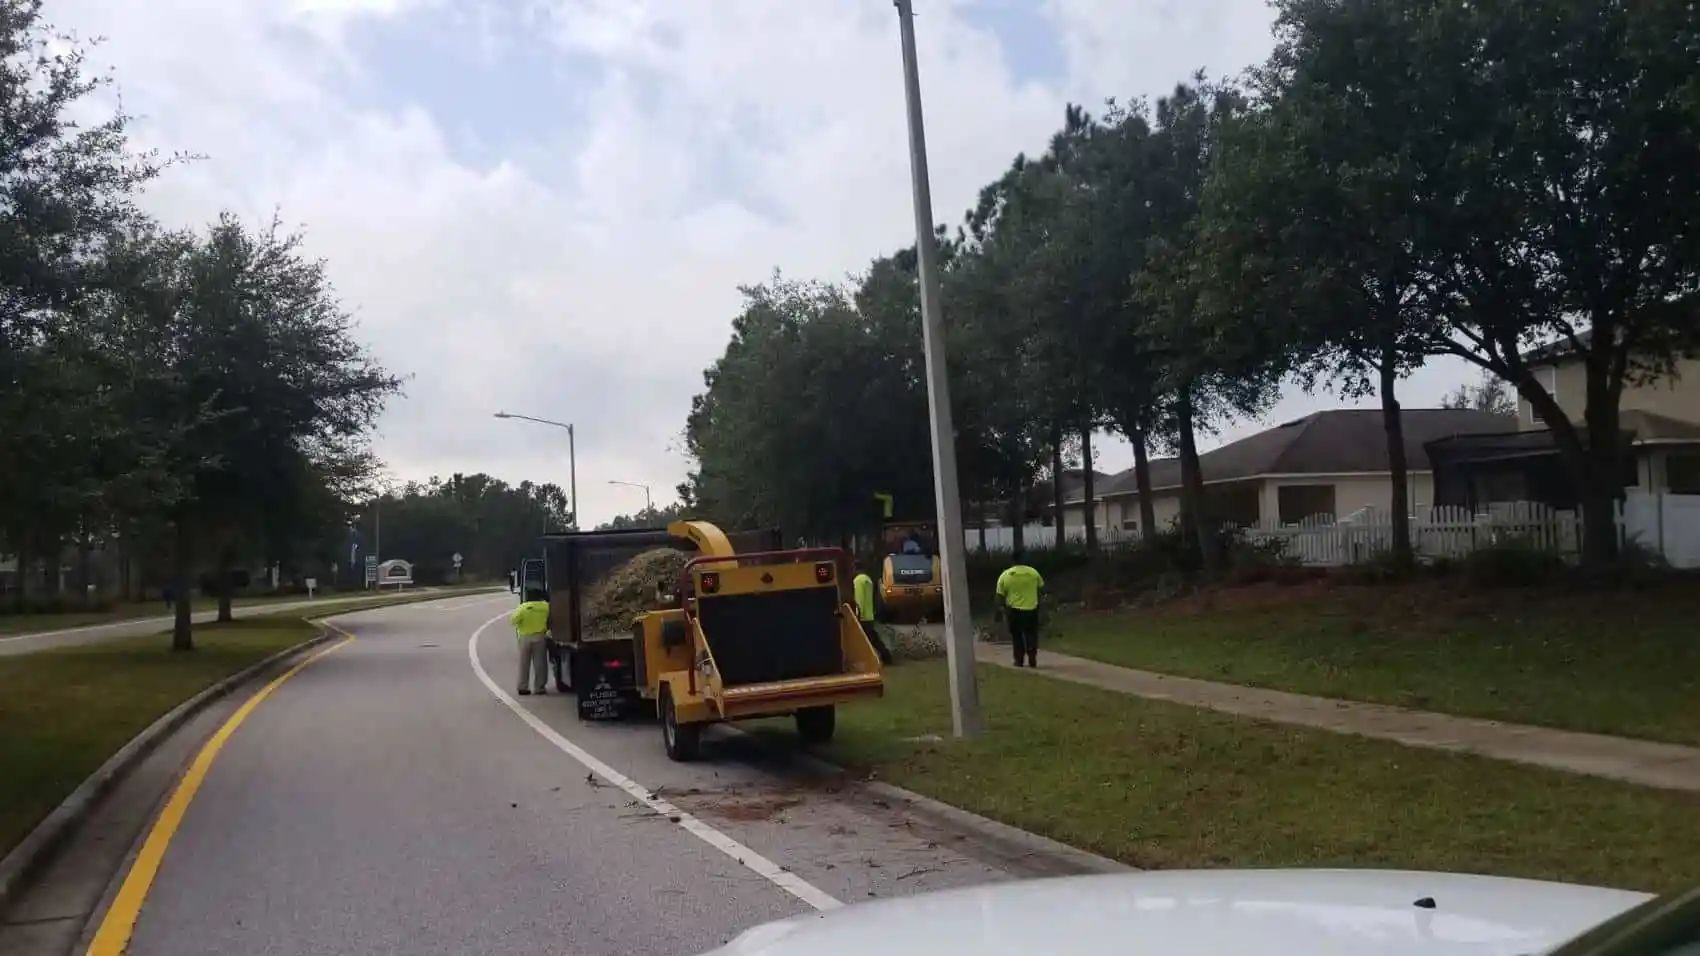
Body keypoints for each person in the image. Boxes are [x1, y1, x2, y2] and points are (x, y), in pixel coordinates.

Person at [994, 551, 1045, 668]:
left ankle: (1019, 659)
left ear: (1012, 561)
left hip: (1014, 610)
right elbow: (1040, 589)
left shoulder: (1006, 575)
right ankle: (1032, 657)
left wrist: (1000, 610)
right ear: (1024, 559)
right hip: (1031, 608)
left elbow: (999, 595)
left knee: (1016, 635)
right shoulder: (1033, 573)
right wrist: (1039, 604)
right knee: (1031, 634)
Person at [509, 588, 552, 696]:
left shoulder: (523, 607)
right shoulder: (545, 607)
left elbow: (513, 620)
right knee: (540, 664)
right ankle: (539, 687)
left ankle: (523, 687)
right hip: (540, 637)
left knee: (524, 664)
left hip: (524, 638)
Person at [851, 560, 893, 665]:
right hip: (869, 615)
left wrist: (857, 614)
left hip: (862, 616)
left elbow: (859, 598)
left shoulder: (858, 581)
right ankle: (886, 657)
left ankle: (884, 658)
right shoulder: (868, 580)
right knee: (874, 639)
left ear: (855, 569)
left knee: (866, 640)